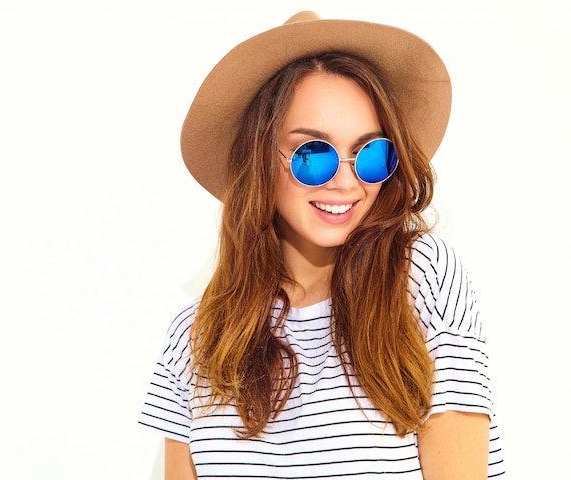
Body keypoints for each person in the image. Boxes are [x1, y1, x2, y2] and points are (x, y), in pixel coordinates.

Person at [139, 11, 505, 479]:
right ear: (260, 158)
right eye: (313, 154)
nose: (346, 182)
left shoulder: (420, 278)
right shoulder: (195, 335)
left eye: (371, 154)